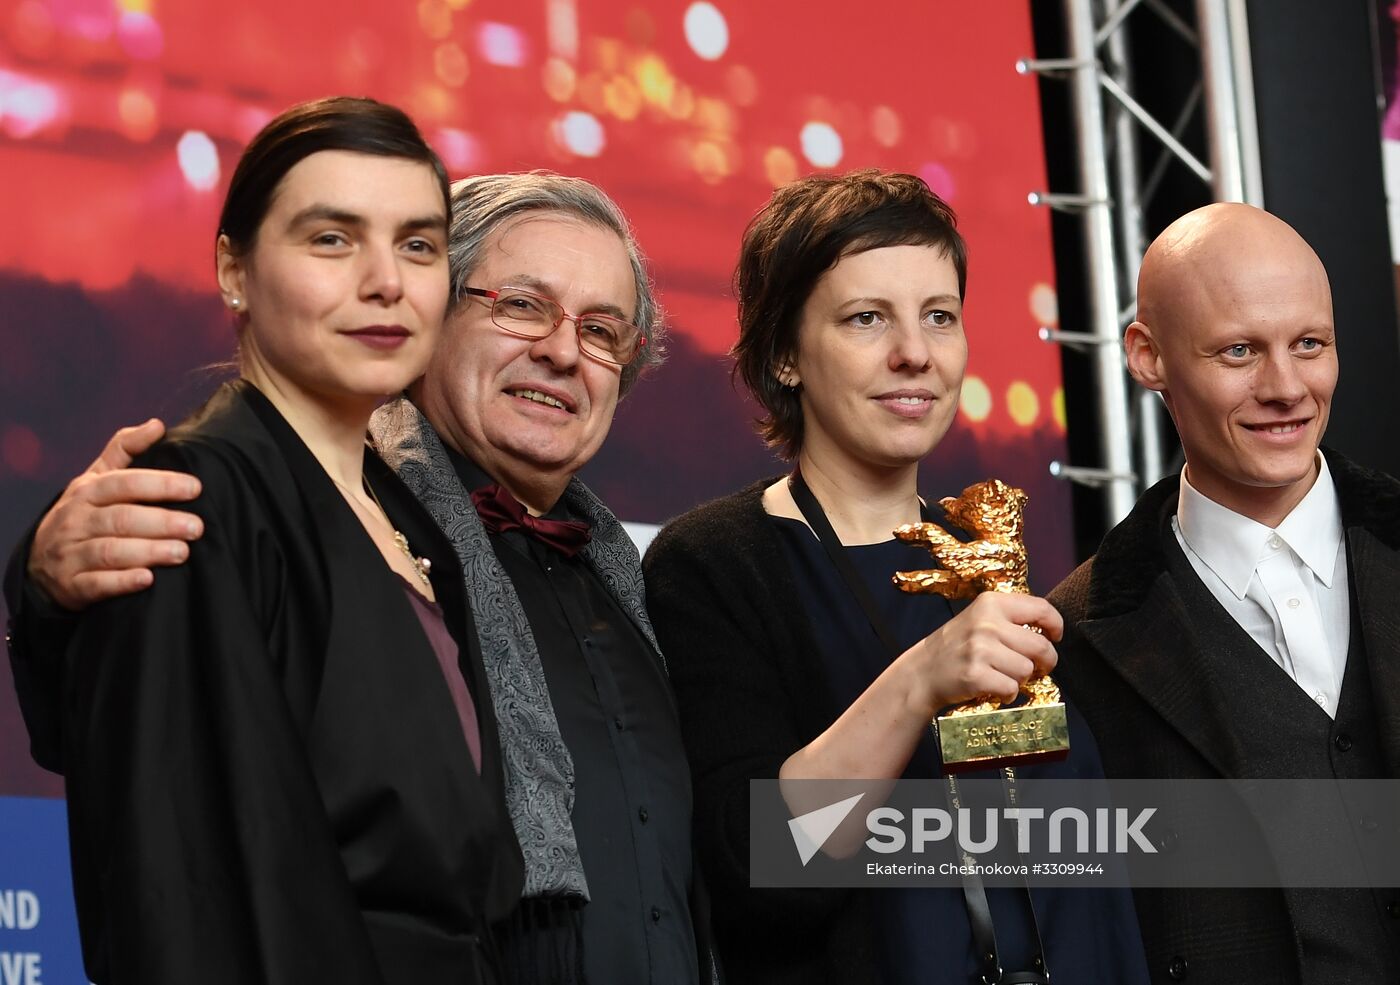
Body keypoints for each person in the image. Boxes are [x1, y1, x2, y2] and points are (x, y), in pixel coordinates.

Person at [5, 172, 720, 985]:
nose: (562, 351)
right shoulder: (327, 527)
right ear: (426, 317)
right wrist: (46, 589)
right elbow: (150, 747)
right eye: (521, 305)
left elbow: (741, 847)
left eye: (602, 330)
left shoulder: (642, 584)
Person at [13, 96, 526, 984]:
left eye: (418, 245)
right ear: (234, 270)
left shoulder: (418, 525)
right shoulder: (188, 500)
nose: (386, 282)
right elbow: (181, 896)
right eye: (332, 239)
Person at [641, 171, 1149, 985]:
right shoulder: (714, 563)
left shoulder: (986, 551)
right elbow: (758, 871)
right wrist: (920, 680)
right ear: (784, 355)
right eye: (866, 317)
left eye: (939, 316)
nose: (914, 351)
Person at [1049, 203, 1400, 984]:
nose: (1285, 387)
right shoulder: (1074, 641)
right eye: (1239, 350)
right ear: (1147, 357)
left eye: (1309, 344)